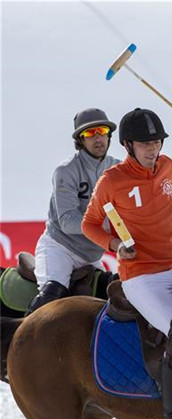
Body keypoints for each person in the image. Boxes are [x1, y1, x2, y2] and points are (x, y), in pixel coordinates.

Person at [82, 108, 172, 419]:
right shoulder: (111, 181)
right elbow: (89, 223)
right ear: (128, 145)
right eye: (145, 144)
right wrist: (113, 244)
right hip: (140, 276)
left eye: (156, 142)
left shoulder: (167, 166)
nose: (152, 149)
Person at [28, 108, 120, 313]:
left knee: (113, 300)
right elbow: (68, 222)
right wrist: (109, 235)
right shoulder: (66, 170)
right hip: (61, 248)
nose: (98, 138)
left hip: (92, 255)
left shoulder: (120, 169)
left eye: (102, 131)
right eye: (89, 133)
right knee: (52, 296)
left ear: (109, 135)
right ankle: (17, 341)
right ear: (80, 139)